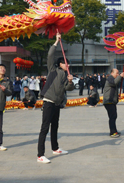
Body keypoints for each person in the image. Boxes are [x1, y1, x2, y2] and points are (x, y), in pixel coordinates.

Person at [37, 33, 74, 164]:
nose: (67, 65)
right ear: (60, 63)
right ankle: (40, 155)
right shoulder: (53, 69)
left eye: (68, 64)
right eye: (65, 63)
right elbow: (50, 56)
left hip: (57, 103)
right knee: (45, 128)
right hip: (48, 102)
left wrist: (70, 82)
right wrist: (56, 42)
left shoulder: (66, 75)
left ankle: (55, 148)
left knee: (55, 127)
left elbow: (68, 89)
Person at [103, 68, 124, 138]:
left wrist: (116, 97)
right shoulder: (110, 78)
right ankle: (112, 132)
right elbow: (114, 83)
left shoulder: (112, 78)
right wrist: (120, 76)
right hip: (108, 101)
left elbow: (112, 90)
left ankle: (114, 131)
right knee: (112, 117)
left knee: (114, 116)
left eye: (119, 73)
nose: (118, 74)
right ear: (112, 73)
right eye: (117, 73)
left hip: (112, 101)